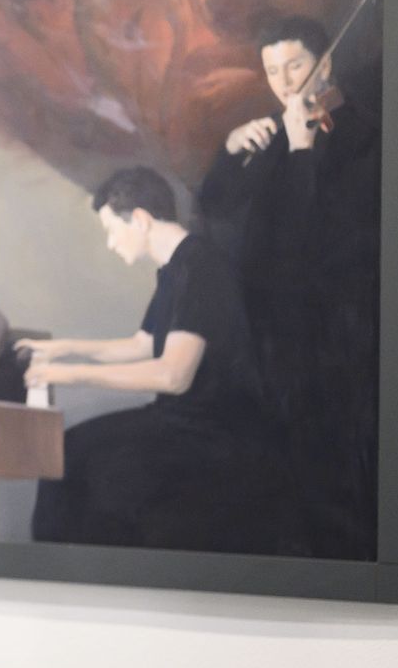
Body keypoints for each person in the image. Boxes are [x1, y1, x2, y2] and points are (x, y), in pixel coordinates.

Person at [22, 166, 281, 553]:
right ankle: (61, 565)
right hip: (184, 418)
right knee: (70, 450)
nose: (110, 243)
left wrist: (68, 373)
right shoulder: (176, 266)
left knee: (80, 461)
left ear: (140, 220)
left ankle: (65, 570)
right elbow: (142, 345)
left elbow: (173, 375)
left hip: (214, 431)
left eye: (112, 229)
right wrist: (64, 348)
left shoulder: (201, 267)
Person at [198, 15, 380, 559]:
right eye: (272, 70)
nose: (282, 81)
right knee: (278, 463)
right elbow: (215, 211)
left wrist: (301, 153)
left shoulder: (363, 138)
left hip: (330, 333)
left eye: (294, 65)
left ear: (325, 65)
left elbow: (311, 242)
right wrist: (231, 150)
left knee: (329, 460)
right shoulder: (273, 133)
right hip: (268, 331)